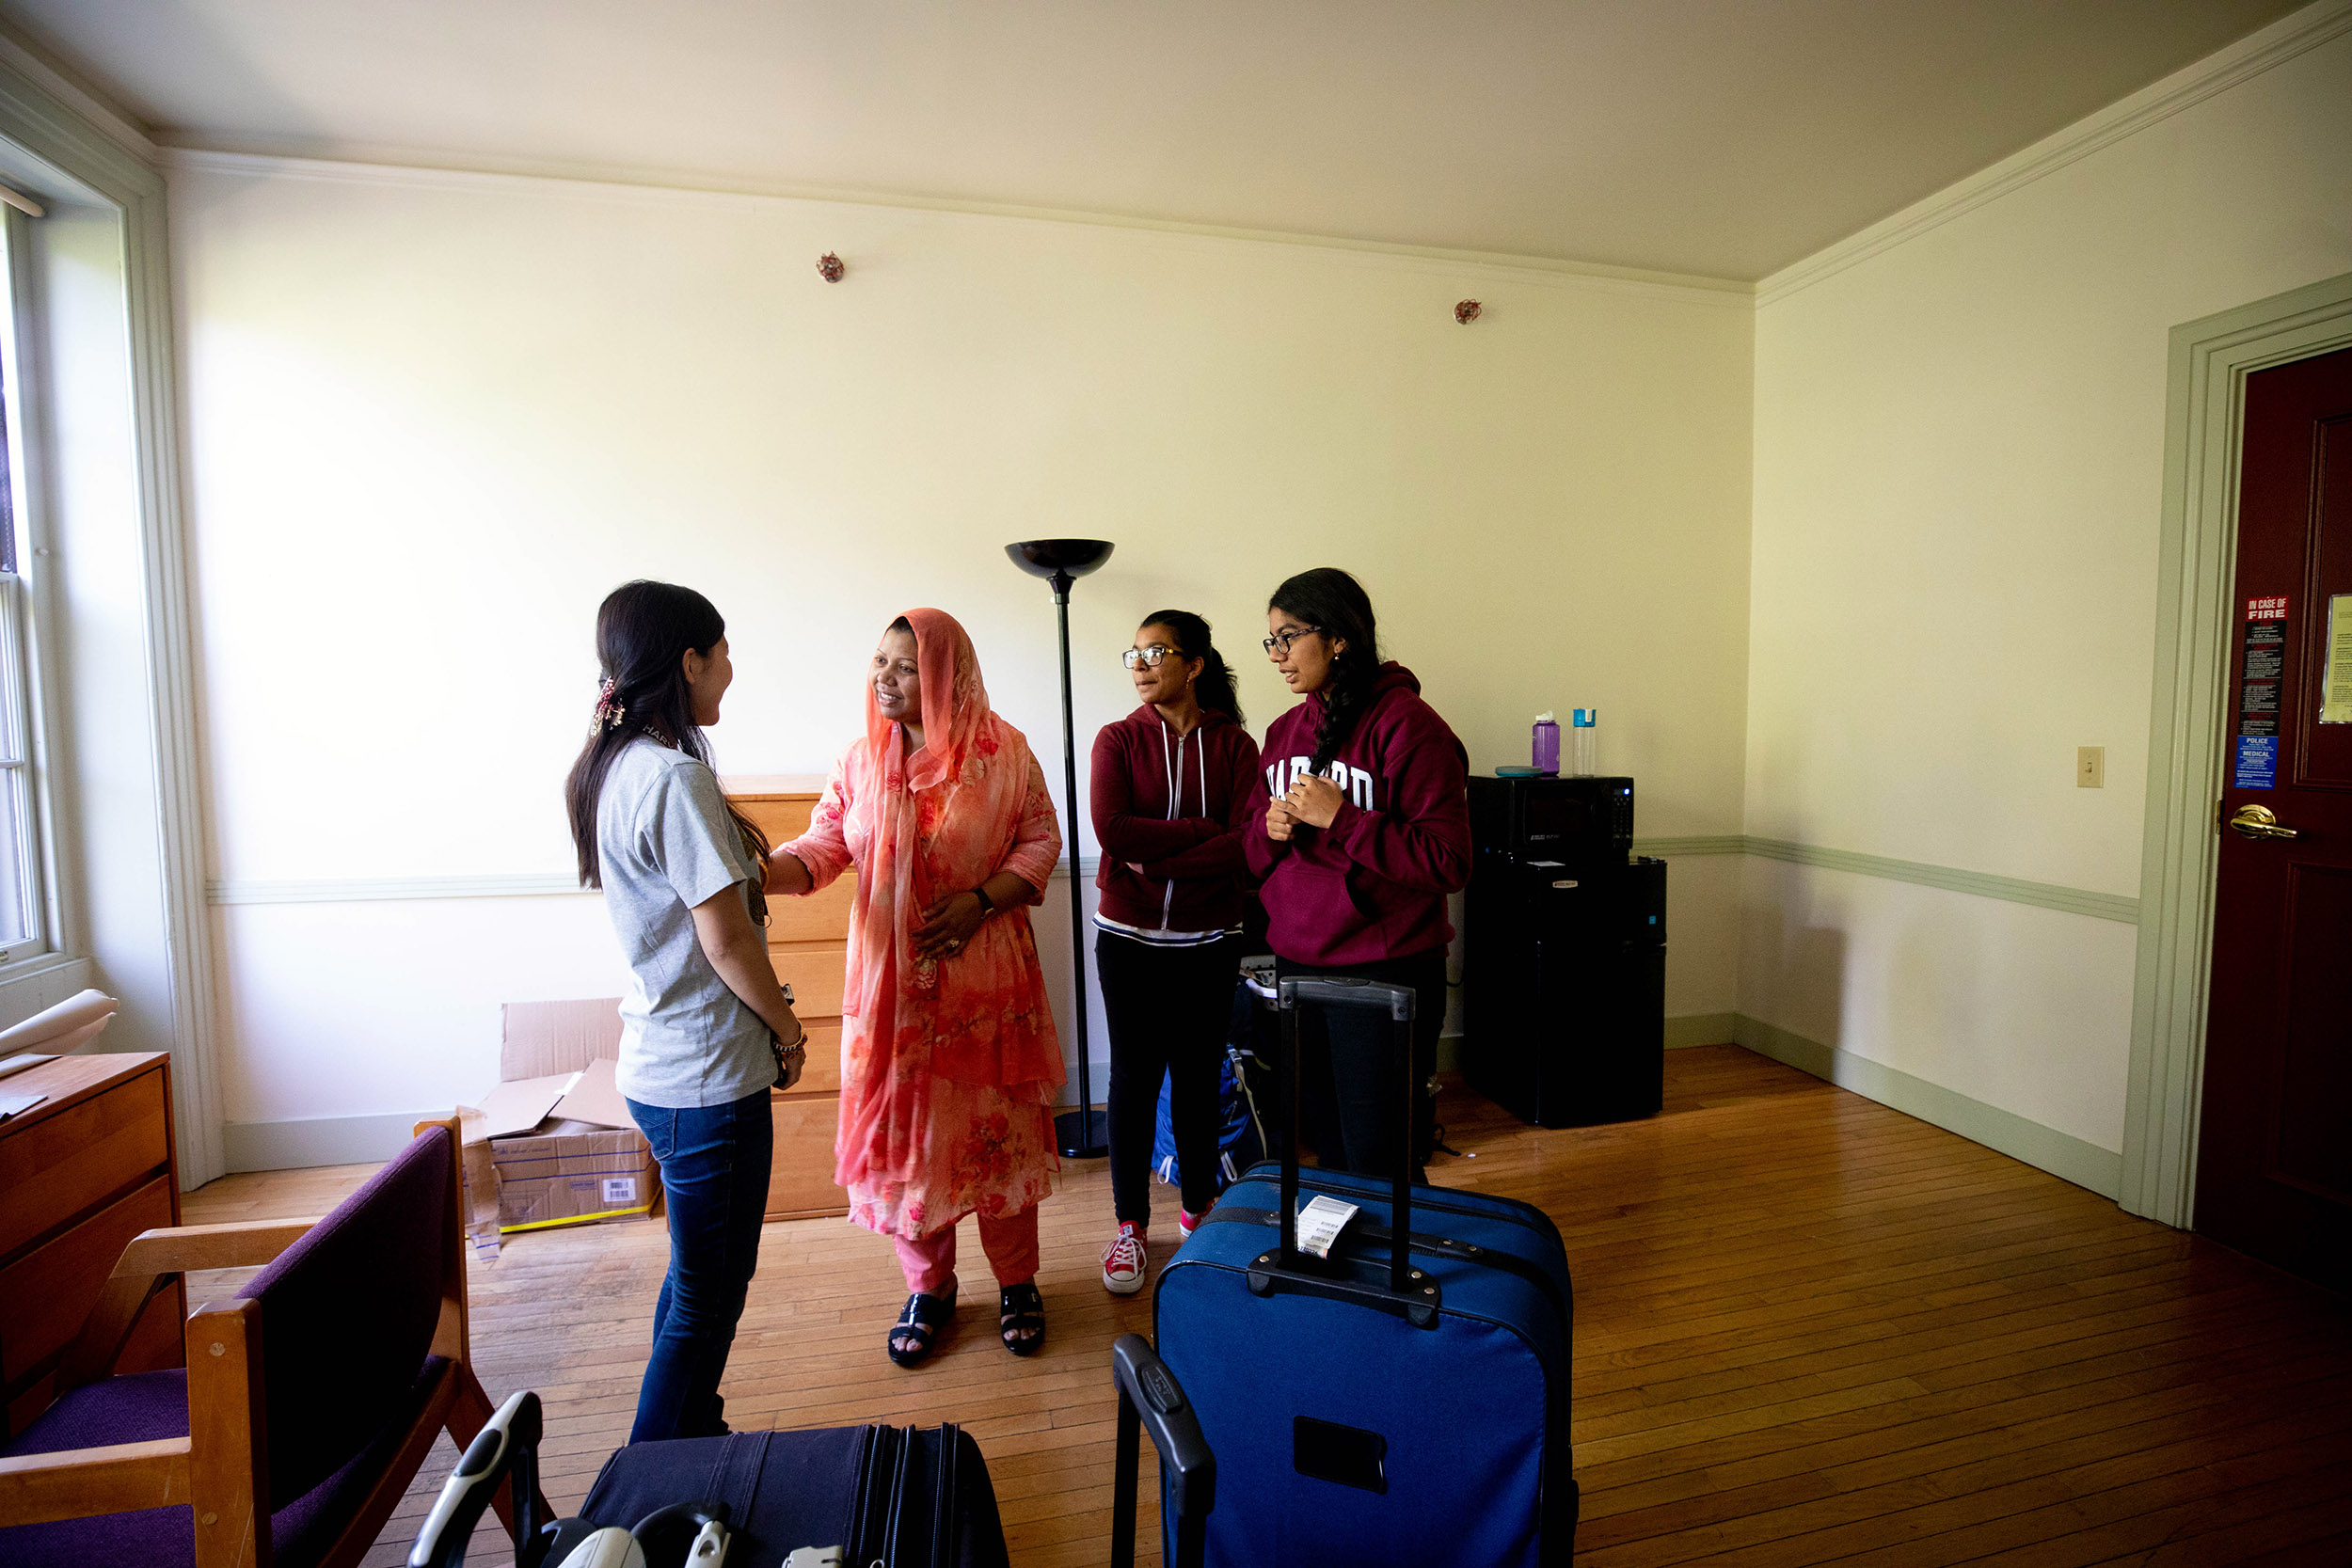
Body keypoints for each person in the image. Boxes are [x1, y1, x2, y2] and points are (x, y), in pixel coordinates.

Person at [769, 610, 1065, 1366]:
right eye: (878, 661)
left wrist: (980, 900)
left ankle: (1017, 1283)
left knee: (995, 1142)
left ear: (943, 675)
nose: (884, 678)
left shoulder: (1003, 751)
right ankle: (929, 1288)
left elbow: (1041, 838)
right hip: (891, 994)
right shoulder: (862, 762)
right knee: (909, 1149)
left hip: (985, 983)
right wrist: (764, 871)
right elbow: (828, 841)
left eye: (904, 666)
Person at [563, 579, 807, 1443]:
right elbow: (730, 942)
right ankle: (652, 1470)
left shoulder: (619, 765)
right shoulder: (672, 776)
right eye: (724, 651)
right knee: (710, 1293)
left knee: (696, 1279)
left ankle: (692, 1430)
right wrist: (788, 1029)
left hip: (662, 1069)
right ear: (689, 661)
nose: (732, 670)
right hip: (707, 1079)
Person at [1245, 568, 1470, 1181]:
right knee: (1326, 1145)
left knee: (1381, 1151)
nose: (1277, 655)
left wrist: (1343, 818)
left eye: (1288, 636)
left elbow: (1447, 860)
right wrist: (1266, 832)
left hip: (1383, 969)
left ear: (1338, 637)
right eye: (1270, 641)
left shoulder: (1410, 728)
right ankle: (1348, 1264)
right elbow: (1252, 853)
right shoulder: (1282, 734)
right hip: (1299, 965)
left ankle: (1393, 1268)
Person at [1089, 610, 1261, 1294]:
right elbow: (1113, 830)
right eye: (1133, 651)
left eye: (1156, 651)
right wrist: (1200, 835)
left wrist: (1160, 862)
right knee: (1132, 1081)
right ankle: (1131, 1226)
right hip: (1128, 942)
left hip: (1210, 942)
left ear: (1193, 664)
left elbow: (1248, 840)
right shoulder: (1116, 741)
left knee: (1195, 1080)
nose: (1139, 662)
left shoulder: (1236, 748)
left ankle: (1197, 1210)